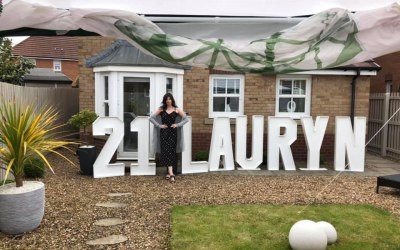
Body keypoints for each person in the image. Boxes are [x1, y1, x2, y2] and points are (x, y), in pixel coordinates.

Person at [149, 93, 188, 183]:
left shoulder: (177, 109)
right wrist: (159, 125)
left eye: (169, 99)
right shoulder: (161, 109)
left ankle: (169, 173)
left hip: (173, 134)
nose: (168, 100)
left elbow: (186, 119)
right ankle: (171, 173)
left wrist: (178, 124)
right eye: (166, 99)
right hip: (164, 133)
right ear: (164, 100)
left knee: (171, 152)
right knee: (166, 152)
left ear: (172, 100)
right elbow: (151, 118)